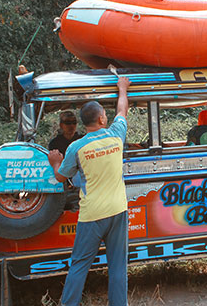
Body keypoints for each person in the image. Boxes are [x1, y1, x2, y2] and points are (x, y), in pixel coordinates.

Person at [48, 76, 131, 306]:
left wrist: (55, 161)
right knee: (117, 266)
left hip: (92, 214)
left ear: (82, 124)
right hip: (118, 210)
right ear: (103, 118)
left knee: (79, 265)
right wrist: (122, 88)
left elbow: (60, 177)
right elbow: (122, 110)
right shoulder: (116, 135)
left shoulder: (76, 146)